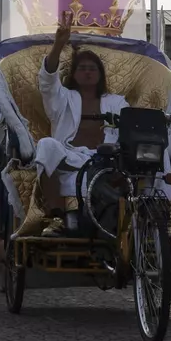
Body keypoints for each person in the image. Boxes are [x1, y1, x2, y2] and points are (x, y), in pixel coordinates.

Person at [31, 15, 128, 234]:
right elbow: (47, 81)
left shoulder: (116, 102)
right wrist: (58, 44)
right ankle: (57, 217)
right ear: (74, 74)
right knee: (46, 145)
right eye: (82, 68)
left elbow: (130, 129)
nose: (87, 72)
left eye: (92, 68)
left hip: (105, 163)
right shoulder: (63, 98)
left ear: (100, 74)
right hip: (69, 158)